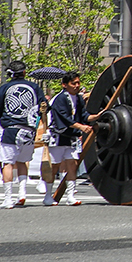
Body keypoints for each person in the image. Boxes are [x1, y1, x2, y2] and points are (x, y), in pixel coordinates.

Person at [0, 60, 44, 210]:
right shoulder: (34, 87)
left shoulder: (6, 87)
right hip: (29, 130)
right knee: (22, 162)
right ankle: (22, 193)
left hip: (12, 129)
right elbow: (44, 106)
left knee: (8, 163)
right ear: (24, 72)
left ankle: (8, 198)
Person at [45, 71, 90, 207]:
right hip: (59, 136)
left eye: (78, 83)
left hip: (72, 137)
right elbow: (64, 118)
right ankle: (48, 195)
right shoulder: (60, 99)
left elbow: (84, 115)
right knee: (54, 166)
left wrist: (95, 117)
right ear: (65, 85)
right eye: (73, 83)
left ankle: (70, 196)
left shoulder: (79, 99)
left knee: (72, 165)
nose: (77, 86)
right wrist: (81, 127)